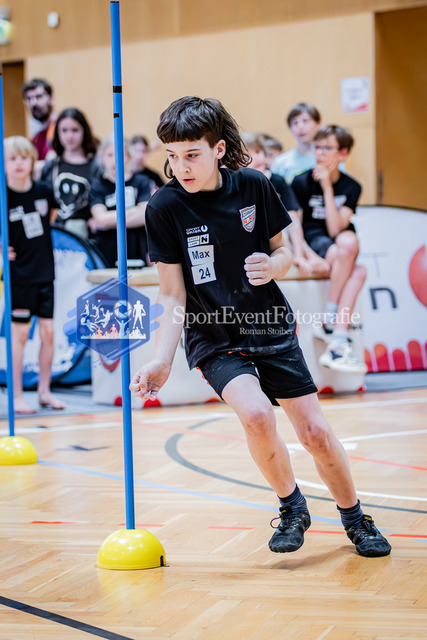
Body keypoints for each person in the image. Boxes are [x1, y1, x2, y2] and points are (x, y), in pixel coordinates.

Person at [130, 96, 391, 559]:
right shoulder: (164, 206)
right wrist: (160, 359)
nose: (181, 166)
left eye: (192, 154)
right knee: (255, 415)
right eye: (171, 155)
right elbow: (170, 293)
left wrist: (273, 266)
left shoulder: (253, 185)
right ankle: (292, 507)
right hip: (213, 335)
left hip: (269, 325)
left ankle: (356, 518)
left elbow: (283, 252)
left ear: (218, 149)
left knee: (314, 432)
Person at [291, 125, 367, 374]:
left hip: (335, 236)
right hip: (314, 236)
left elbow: (335, 229)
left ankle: (330, 323)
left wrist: (327, 188)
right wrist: (306, 255)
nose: (320, 153)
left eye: (327, 148)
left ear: (343, 153)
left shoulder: (352, 186)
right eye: (317, 147)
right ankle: (338, 335)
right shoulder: (301, 182)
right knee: (358, 271)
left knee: (349, 244)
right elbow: (294, 226)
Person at [2, 136, 65, 414]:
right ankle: (16, 395)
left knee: (48, 332)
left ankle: (44, 391)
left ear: (32, 161)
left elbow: (49, 217)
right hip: (18, 276)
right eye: (12, 158)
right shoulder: (3, 195)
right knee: (19, 335)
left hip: (45, 272)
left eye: (24, 157)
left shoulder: (43, 191)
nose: (19, 163)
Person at [241, 132, 329, 277]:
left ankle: (302, 256)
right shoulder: (241, 184)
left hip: (281, 230)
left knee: (288, 223)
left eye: (258, 152)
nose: (255, 158)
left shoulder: (277, 180)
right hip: (257, 234)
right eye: (247, 156)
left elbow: (293, 217)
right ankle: (302, 256)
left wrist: (300, 254)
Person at [89, 134, 152, 268]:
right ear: (102, 156)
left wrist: (109, 219)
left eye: (120, 155)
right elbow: (101, 218)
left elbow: (145, 214)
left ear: (128, 156)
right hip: (107, 249)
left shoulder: (141, 181)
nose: (115, 160)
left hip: (136, 247)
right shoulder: (97, 185)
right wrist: (134, 212)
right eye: (110, 155)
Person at [41, 107, 98, 238]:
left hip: (88, 238)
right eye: (64, 130)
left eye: (75, 130)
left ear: (84, 131)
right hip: (56, 234)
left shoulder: (97, 166)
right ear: (57, 132)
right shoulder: (50, 167)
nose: (69, 136)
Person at [271, 102, 346, 185]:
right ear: (290, 128)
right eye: (295, 123)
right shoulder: (281, 162)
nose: (300, 126)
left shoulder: (331, 159)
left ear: (319, 124)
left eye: (305, 121)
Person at [22, 78, 56, 162]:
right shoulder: (36, 137)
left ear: (51, 99)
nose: (33, 103)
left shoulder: (62, 129)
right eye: (29, 98)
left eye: (39, 97)